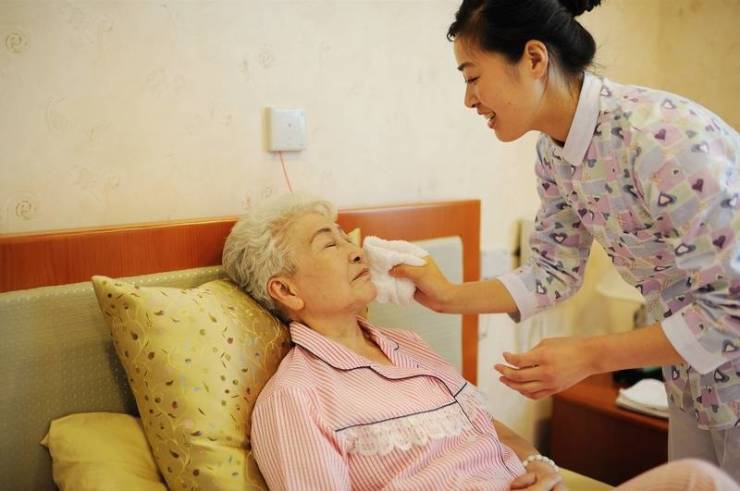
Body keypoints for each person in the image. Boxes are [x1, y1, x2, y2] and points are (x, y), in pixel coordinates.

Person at [389, 0, 740, 481]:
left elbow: (732, 309)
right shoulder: (554, 155)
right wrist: (447, 296)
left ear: (534, 59)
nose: (469, 100)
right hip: (691, 373)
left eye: (472, 77)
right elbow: (552, 271)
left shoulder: (661, 138)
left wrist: (590, 356)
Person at [223, 193, 738, 490]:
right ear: (285, 290)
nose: (355, 250)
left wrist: (538, 466)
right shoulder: (297, 397)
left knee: (700, 480)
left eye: (344, 236)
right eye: (328, 243)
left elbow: (490, 431)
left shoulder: (409, 346)